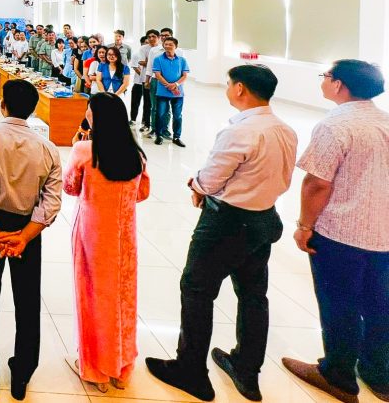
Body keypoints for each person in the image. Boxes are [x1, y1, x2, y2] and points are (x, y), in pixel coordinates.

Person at [146, 64, 297, 402]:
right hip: (263, 218)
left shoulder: (241, 130)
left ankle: (191, 371)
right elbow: (283, 177)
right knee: (253, 295)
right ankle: (247, 369)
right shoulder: (284, 129)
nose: (228, 89)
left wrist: (198, 186)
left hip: (227, 223)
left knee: (197, 290)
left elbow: (213, 176)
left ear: (240, 88)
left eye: (229, 84)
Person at [282, 60, 389, 403]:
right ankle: (380, 375)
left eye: (326, 75)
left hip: (342, 234)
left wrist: (304, 226)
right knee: (379, 305)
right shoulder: (385, 121)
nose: (324, 80)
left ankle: (338, 376)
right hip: (383, 235)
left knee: (339, 304)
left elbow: (317, 183)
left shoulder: (335, 124)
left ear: (339, 84)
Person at [0, 79, 63, 400]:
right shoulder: (48, 148)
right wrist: (24, 237)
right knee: (27, 300)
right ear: (34, 109)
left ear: (2, 105)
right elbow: (51, 202)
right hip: (28, 229)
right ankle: (22, 371)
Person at [63, 93, 150, 393]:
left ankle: (95, 368)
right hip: (125, 238)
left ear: (96, 117)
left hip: (92, 235)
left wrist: (76, 144)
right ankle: (121, 367)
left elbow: (70, 187)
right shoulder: (136, 155)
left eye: (89, 110)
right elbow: (141, 193)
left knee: (92, 297)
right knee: (123, 298)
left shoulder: (84, 151)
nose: (86, 113)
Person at [152, 38, 189, 147]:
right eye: (166, 44)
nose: (167, 46)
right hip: (162, 92)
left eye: (170, 44)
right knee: (160, 114)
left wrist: (175, 85)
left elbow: (184, 76)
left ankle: (176, 137)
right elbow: (158, 75)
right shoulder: (158, 59)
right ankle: (159, 136)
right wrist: (169, 85)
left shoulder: (182, 60)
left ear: (175, 46)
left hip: (178, 93)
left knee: (177, 116)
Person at [131, 30, 159, 131]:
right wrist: (156, 65)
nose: (151, 38)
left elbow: (150, 63)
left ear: (158, 37)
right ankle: (146, 124)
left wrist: (149, 63)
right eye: (149, 37)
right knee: (147, 103)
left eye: (153, 36)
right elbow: (142, 62)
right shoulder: (143, 48)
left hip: (158, 79)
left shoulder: (161, 48)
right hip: (145, 79)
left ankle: (156, 125)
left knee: (157, 104)